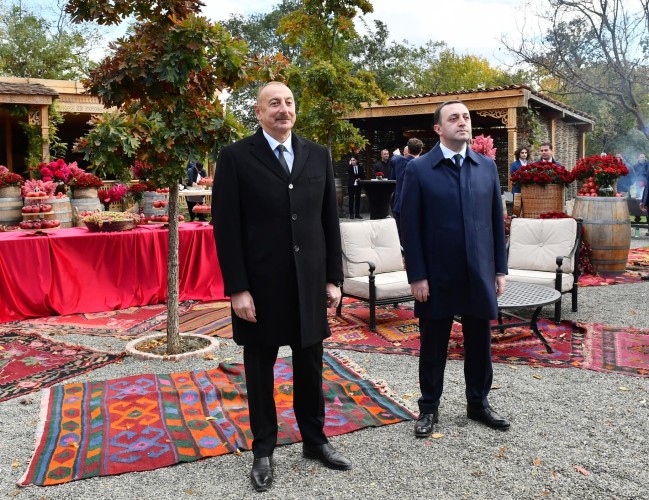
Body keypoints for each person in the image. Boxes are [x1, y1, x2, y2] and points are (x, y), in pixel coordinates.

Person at [211, 81, 351, 493]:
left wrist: (333, 277)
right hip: (260, 288)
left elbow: (329, 222)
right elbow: (226, 229)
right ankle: (264, 450)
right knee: (259, 370)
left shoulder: (318, 155)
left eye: (288, 102)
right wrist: (237, 288)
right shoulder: (236, 157)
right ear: (257, 112)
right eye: (274, 103)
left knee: (310, 366)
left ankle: (314, 440)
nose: (283, 109)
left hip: (308, 283)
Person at [400, 100, 509, 438]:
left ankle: (478, 404)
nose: (462, 122)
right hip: (436, 275)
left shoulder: (486, 167)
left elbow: (495, 220)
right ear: (438, 128)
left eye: (466, 117)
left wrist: (499, 271)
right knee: (434, 345)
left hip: (479, 272)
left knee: (480, 342)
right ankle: (429, 408)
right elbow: (408, 224)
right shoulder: (418, 170)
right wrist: (417, 274)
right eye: (454, 118)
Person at [391, 138, 423, 233]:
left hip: (400, 204)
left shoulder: (399, 160)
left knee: (400, 232)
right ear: (421, 151)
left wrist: (397, 155)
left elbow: (393, 159)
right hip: (416, 205)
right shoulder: (423, 164)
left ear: (408, 150)